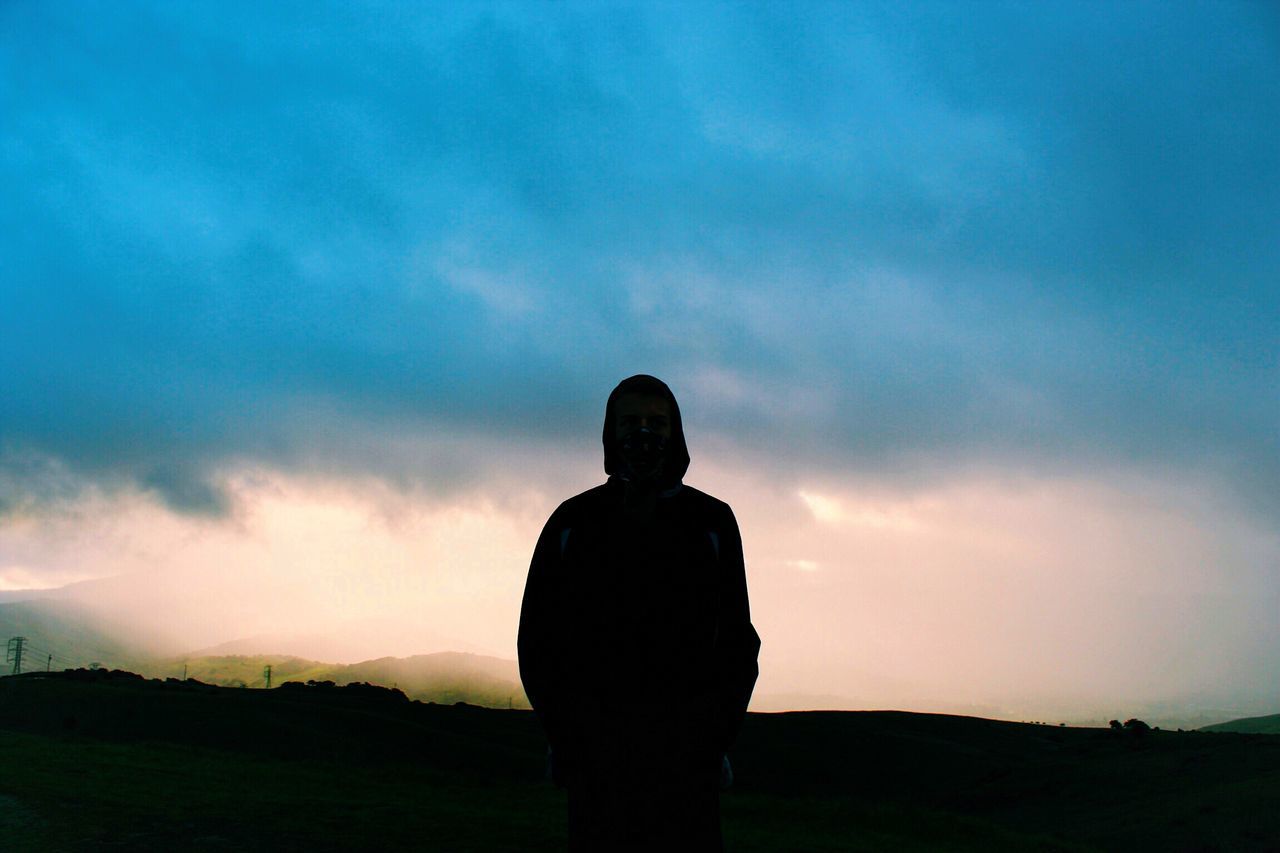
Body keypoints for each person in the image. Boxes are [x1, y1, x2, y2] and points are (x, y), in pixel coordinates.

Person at [518, 374, 761, 851]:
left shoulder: (714, 523)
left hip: (688, 761)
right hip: (596, 760)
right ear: (610, 433)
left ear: (677, 433)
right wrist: (566, 738)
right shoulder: (572, 522)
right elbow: (538, 641)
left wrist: (714, 740)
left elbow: (737, 642)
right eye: (630, 422)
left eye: (656, 423)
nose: (643, 434)